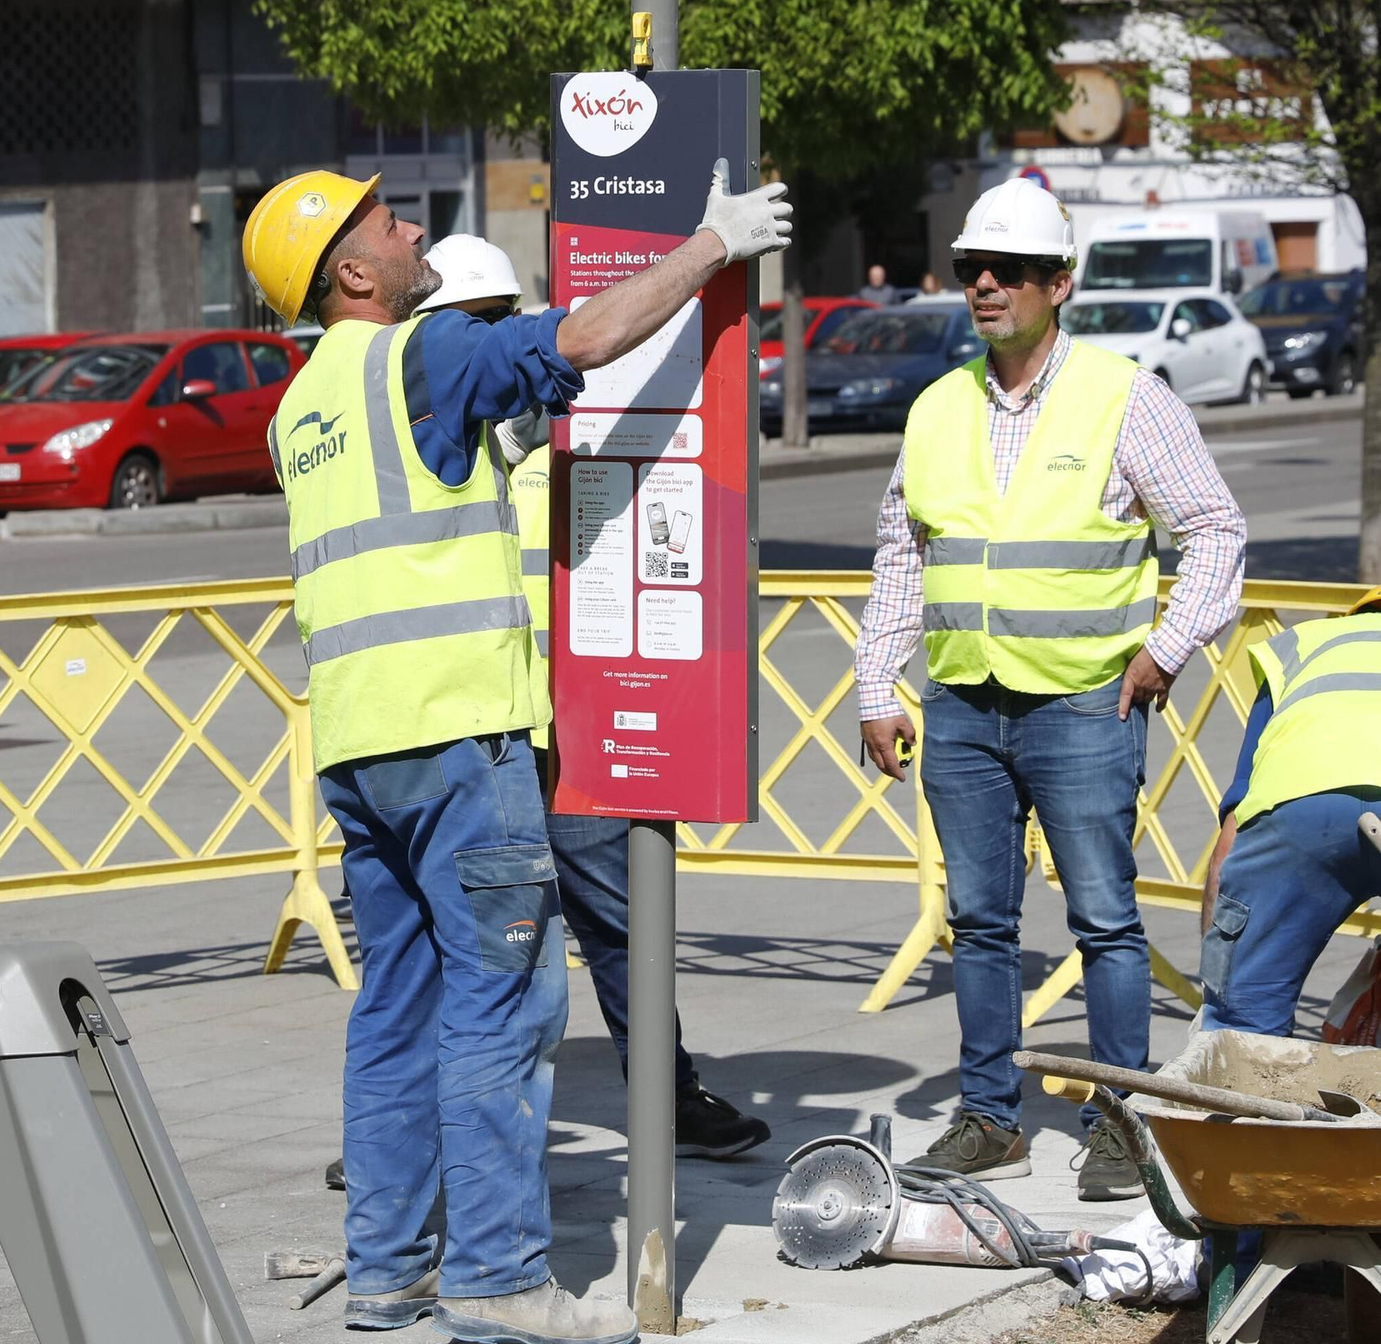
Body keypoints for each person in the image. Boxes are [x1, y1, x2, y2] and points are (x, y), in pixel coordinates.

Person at [242, 161, 790, 1340]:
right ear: (350, 271)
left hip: (359, 743)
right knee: (503, 1007)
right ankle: (498, 1280)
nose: (409, 227)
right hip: (455, 736)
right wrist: (710, 242)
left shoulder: (302, 405)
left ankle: (389, 1274)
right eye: (388, 222)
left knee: (394, 1010)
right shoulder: (417, 359)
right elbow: (583, 335)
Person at [853, 176, 1245, 1202]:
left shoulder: (1125, 394)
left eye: (1011, 270)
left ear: (1057, 282)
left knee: (1105, 919)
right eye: (972, 266)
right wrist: (872, 685)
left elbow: (1214, 528)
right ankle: (990, 1118)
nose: (985, 284)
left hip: (1082, 704)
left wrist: (1163, 649)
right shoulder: (938, 406)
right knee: (978, 923)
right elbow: (904, 550)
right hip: (965, 707)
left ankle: (1119, 1117)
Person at [420, 238, 771, 1160]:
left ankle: (668, 1096)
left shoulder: (575, 428)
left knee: (618, 922)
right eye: (468, 328)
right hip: (476, 729)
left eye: (498, 322)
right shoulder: (441, 449)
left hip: (572, 731)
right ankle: (414, 1132)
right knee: (453, 937)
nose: (488, 343)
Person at [1200, 589, 1381, 1036]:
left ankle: (1238, 1083)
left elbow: (1231, 839)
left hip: (1303, 811)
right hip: (1310, 807)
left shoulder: (1305, 646)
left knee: (1244, 1025)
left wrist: (1220, 980)